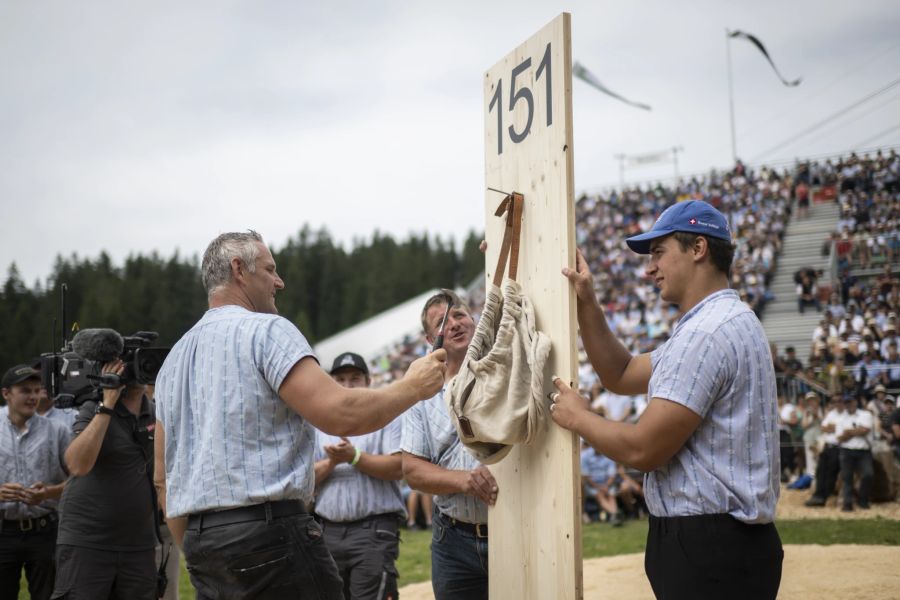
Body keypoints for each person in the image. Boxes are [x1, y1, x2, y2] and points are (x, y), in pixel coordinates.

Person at [154, 231, 446, 600]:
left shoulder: (172, 361)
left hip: (201, 543)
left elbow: (163, 481)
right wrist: (413, 386)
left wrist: (200, 546)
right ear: (239, 269)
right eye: (270, 269)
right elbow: (341, 414)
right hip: (272, 536)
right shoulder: (267, 331)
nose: (280, 281)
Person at [550, 200, 783, 599]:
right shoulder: (727, 320)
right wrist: (586, 300)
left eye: (659, 252)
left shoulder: (703, 334)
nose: (649, 267)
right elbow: (619, 373)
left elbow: (644, 450)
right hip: (728, 544)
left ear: (698, 249)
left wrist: (579, 419)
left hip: (709, 547)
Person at [401, 289, 498, 600]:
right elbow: (412, 472)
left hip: (511, 526)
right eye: (442, 321)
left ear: (474, 321)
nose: (454, 323)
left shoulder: (503, 372)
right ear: (432, 340)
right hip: (452, 540)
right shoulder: (420, 394)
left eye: (459, 315)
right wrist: (465, 481)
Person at [53, 359, 158, 600]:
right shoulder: (93, 407)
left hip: (138, 543)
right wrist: (108, 403)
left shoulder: (154, 413)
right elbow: (77, 464)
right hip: (88, 541)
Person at [313, 351, 406, 600]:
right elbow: (304, 479)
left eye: (355, 378)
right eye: (341, 380)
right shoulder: (317, 421)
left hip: (374, 530)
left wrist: (354, 457)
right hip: (327, 531)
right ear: (331, 383)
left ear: (368, 381)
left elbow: (398, 467)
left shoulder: (387, 415)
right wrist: (333, 462)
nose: (348, 386)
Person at [0, 364, 69, 600]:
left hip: (45, 531)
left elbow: (79, 479)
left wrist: (49, 492)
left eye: (36, 390)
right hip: (3, 531)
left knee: (48, 595)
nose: (33, 397)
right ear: (6, 393)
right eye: (25, 391)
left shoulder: (57, 431)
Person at [805, 393, 845, 507]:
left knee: (831, 472)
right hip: (827, 446)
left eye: (839, 401)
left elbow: (841, 431)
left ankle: (825, 496)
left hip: (839, 447)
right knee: (820, 471)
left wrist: (832, 428)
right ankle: (818, 495)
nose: (837, 403)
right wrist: (834, 427)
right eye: (834, 401)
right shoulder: (832, 413)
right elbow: (823, 428)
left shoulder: (846, 415)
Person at [835, 394, 874, 511]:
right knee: (847, 478)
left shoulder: (865, 414)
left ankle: (863, 500)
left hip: (863, 451)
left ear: (855, 402)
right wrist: (857, 431)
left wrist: (848, 432)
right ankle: (848, 504)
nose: (848, 405)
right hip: (846, 451)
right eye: (846, 403)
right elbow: (839, 438)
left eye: (850, 402)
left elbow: (866, 430)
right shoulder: (841, 418)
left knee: (868, 474)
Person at [580, 444, 623, 526]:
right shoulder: (585, 456)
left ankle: (614, 515)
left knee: (611, 495)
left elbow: (612, 475)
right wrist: (599, 487)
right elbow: (586, 477)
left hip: (606, 485)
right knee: (599, 495)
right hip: (591, 486)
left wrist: (606, 486)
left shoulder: (609, 455)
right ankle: (615, 513)